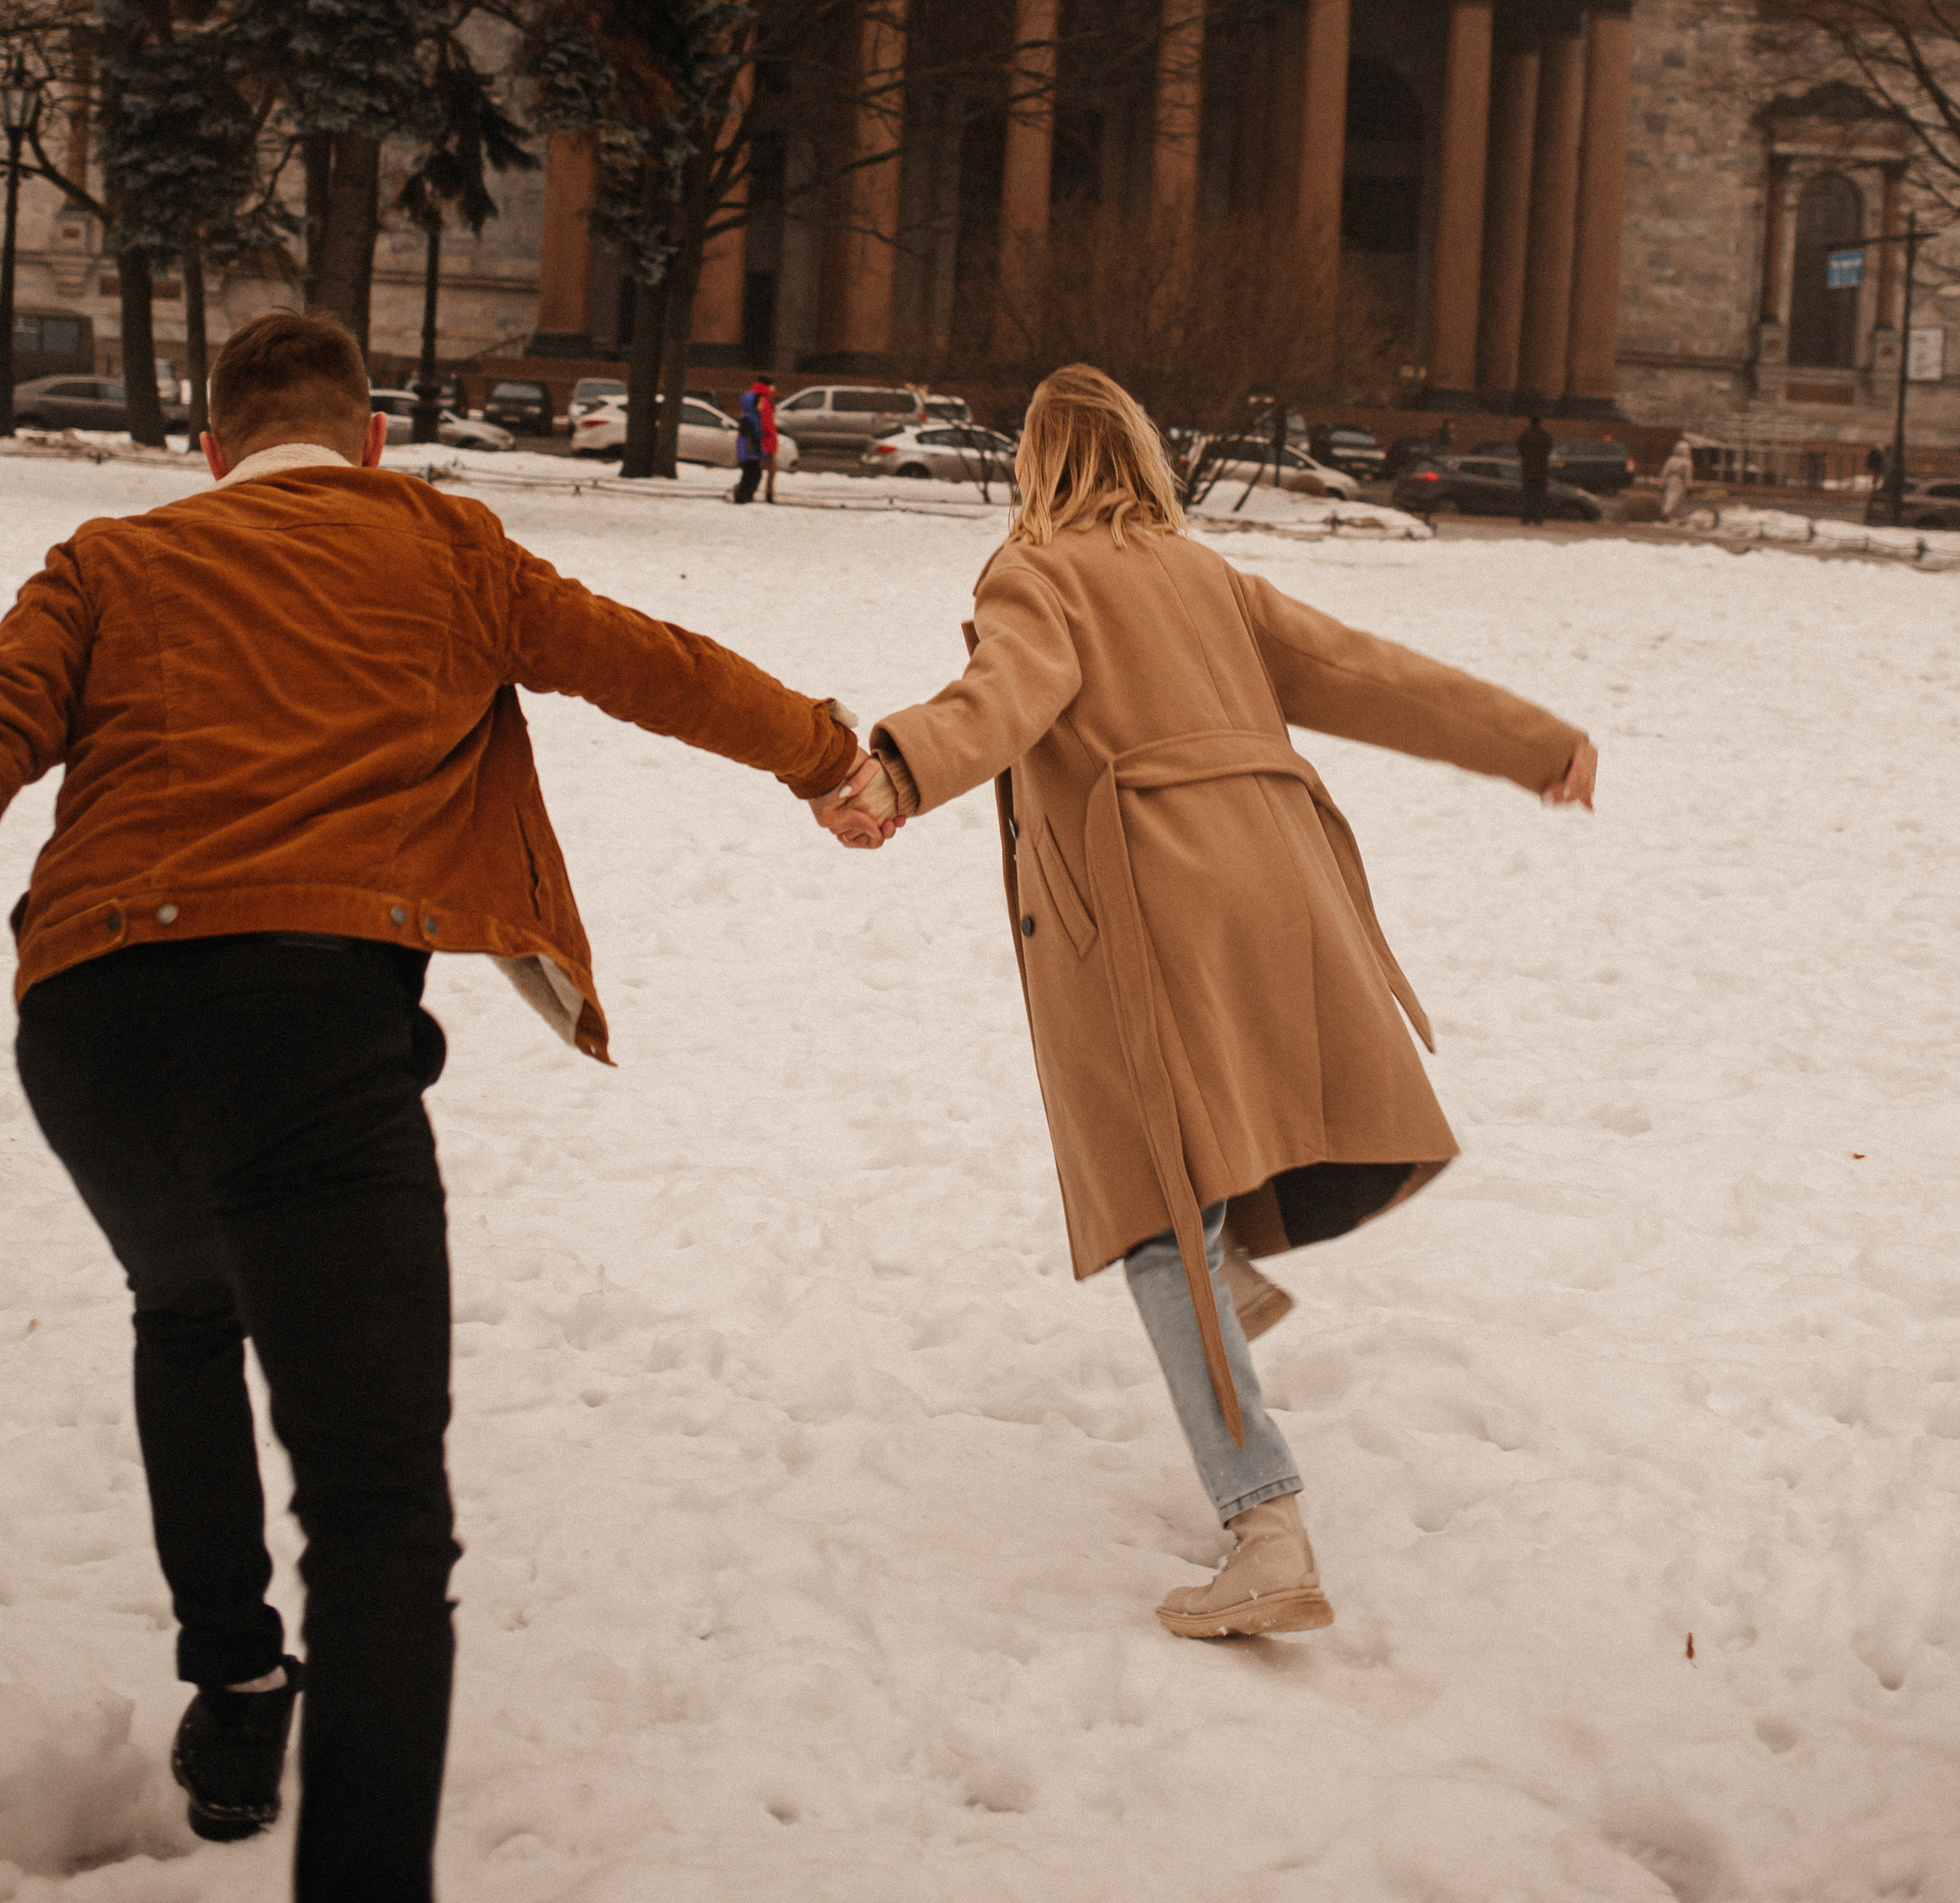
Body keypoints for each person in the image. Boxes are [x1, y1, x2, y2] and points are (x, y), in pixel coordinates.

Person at [4, 312, 879, 1900]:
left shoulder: (105, 562)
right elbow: (653, 666)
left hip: (89, 1029)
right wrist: (825, 754)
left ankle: (235, 1686)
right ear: (369, 445)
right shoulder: (444, 548)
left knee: (184, 1309)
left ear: (208, 451)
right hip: (302, 1027)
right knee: (379, 1510)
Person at [837, 366, 1595, 1640]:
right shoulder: (1209, 578)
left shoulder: (1035, 575)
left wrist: (899, 772)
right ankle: (1229, 1274)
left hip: (1153, 899)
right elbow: (1372, 672)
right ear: (1140, 456)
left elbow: (1004, 694)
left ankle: (1264, 1522)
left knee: (1150, 1210)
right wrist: (1535, 741)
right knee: (1199, 1157)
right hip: (1276, 880)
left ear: (1036, 468)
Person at [735, 373, 778, 505]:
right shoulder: (763, 399)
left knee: (756, 470)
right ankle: (749, 494)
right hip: (765, 440)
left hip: (761, 440)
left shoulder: (759, 398)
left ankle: (746, 493)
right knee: (761, 470)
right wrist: (772, 434)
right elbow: (766, 422)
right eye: (772, 386)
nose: (774, 389)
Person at [1516, 413, 1554, 526]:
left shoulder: (1525, 435)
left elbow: (1520, 450)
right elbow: (1548, 451)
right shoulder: (1545, 436)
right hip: (1541, 472)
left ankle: (1526, 518)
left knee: (1528, 496)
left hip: (1528, 472)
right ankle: (1538, 518)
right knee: (1539, 497)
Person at [1659, 433, 1695, 521]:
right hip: (1680, 482)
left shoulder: (1671, 460)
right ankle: (1667, 514)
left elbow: (1665, 473)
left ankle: (1669, 515)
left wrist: (1662, 483)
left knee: (1669, 497)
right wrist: (1689, 487)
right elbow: (1688, 476)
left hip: (1670, 481)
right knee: (1675, 498)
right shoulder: (1687, 462)